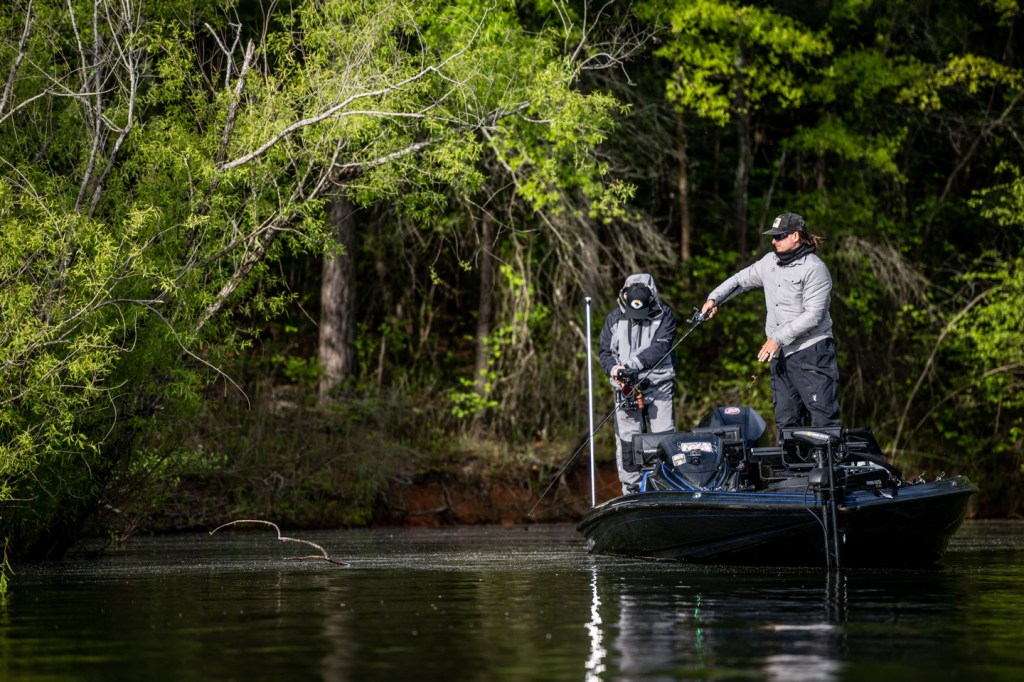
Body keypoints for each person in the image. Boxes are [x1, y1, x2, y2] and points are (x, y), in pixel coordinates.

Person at [700, 212, 840, 429]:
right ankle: (791, 453)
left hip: (812, 351)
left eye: (779, 236)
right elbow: (739, 281)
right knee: (786, 420)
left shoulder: (815, 268)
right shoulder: (769, 262)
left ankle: (828, 452)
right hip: (781, 354)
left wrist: (777, 339)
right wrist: (714, 298)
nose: (774, 241)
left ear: (795, 236)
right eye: (773, 237)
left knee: (823, 417)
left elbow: (814, 315)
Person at [599, 273, 676, 494]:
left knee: (664, 437)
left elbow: (661, 347)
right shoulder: (613, 319)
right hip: (626, 389)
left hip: (659, 385)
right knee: (628, 440)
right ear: (624, 298)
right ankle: (632, 487)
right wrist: (614, 370)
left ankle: (666, 485)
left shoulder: (665, 315)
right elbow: (605, 352)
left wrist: (631, 365)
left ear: (651, 299)